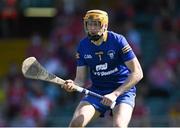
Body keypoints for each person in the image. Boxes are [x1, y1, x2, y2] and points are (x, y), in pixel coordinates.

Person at [62, 9, 143, 127]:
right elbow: (80, 79)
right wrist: (73, 84)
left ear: (104, 25)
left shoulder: (118, 40)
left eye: (96, 24)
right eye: (89, 24)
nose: (92, 28)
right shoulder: (83, 46)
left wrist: (115, 94)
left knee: (119, 126)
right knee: (75, 124)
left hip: (122, 92)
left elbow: (138, 73)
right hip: (97, 91)